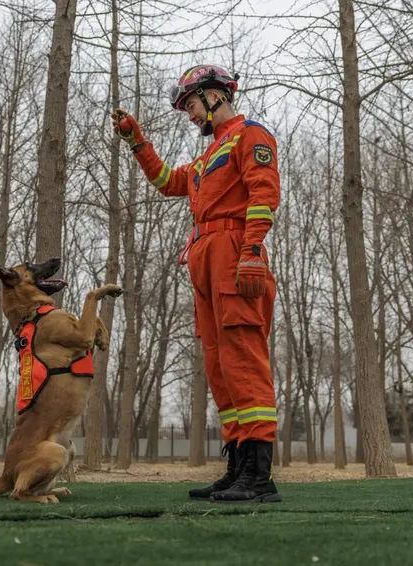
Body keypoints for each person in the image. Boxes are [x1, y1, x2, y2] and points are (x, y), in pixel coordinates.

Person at [111, 64, 281, 503]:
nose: (189, 115)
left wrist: (250, 254)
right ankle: (238, 465)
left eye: (190, 105)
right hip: (204, 257)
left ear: (215, 96)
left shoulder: (251, 136)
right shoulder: (208, 157)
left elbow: (264, 197)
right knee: (220, 367)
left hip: (233, 252)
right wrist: (137, 141)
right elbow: (168, 182)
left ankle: (260, 477)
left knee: (243, 358)